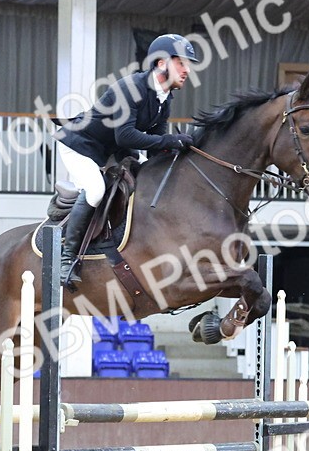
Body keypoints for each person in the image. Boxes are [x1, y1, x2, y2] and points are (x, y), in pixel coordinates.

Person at [52, 33, 200, 284]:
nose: (187, 70)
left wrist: (178, 155)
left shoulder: (164, 99)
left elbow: (156, 144)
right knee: (96, 189)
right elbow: (125, 136)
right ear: (162, 63)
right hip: (80, 145)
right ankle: (66, 259)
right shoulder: (130, 88)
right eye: (181, 63)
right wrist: (168, 142)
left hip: (110, 151)